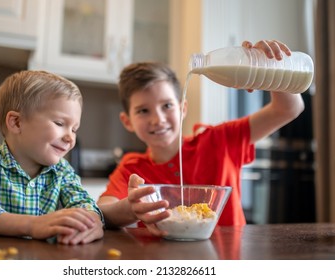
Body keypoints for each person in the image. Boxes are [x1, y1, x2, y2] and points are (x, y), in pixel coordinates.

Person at [97, 40, 305, 236]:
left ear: (183, 108)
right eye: (143, 110)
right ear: (128, 121)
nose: (158, 120)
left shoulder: (219, 140)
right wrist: (129, 208)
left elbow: (288, 109)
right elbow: (103, 211)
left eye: (167, 106)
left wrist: (274, 66)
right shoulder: (132, 169)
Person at [0, 70, 104, 245]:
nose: (70, 138)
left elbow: (82, 202)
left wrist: (92, 221)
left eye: (74, 129)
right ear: (16, 122)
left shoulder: (62, 171)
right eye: (59, 123)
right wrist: (32, 225)